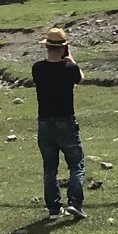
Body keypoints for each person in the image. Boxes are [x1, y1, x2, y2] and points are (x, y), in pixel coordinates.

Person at [32, 26, 85, 220]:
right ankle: (75, 202)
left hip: (44, 123)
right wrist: (71, 59)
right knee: (76, 163)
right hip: (66, 121)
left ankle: (54, 208)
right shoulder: (69, 68)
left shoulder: (37, 68)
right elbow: (81, 80)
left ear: (46, 47)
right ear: (64, 48)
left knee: (50, 167)